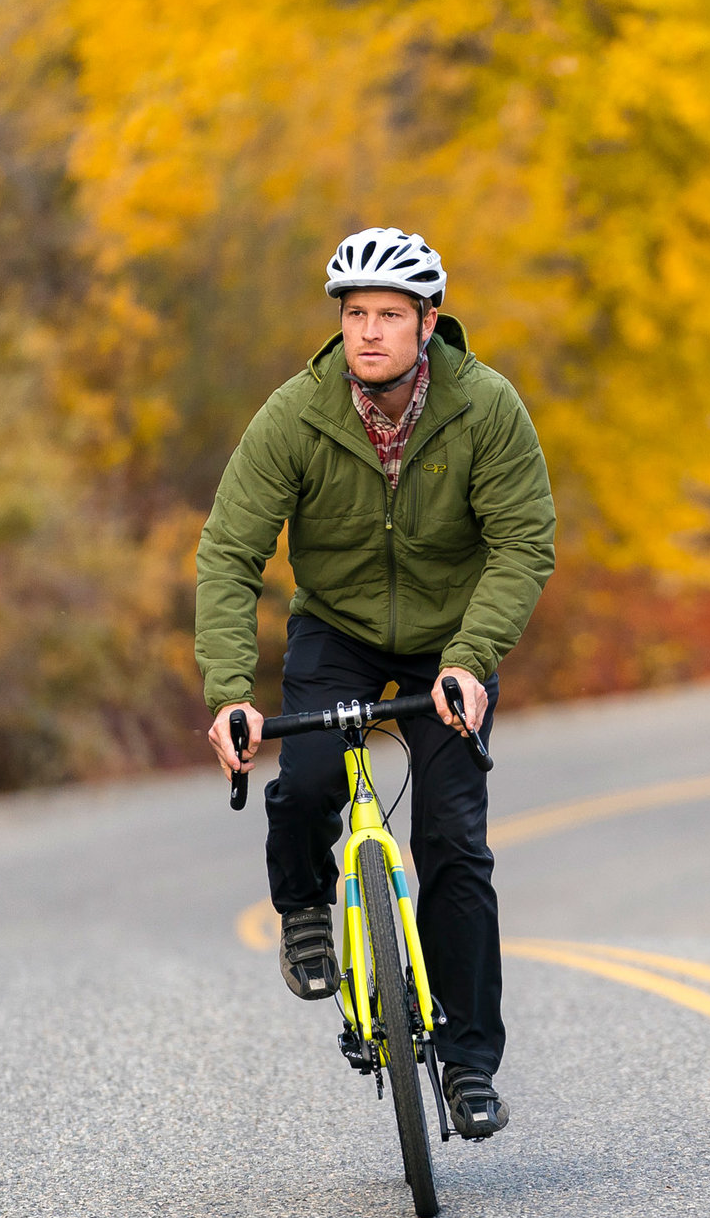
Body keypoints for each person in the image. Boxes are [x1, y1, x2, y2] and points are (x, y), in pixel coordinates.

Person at [195, 228, 555, 1139]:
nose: (369, 333)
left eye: (390, 315)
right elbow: (230, 553)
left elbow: (523, 544)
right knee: (309, 776)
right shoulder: (297, 414)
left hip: (449, 642)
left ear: (428, 323)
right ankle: (305, 907)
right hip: (339, 633)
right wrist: (231, 690)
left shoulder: (487, 408)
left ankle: (469, 1064)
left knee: (454, 841)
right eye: (356, 315)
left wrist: (472, 662)